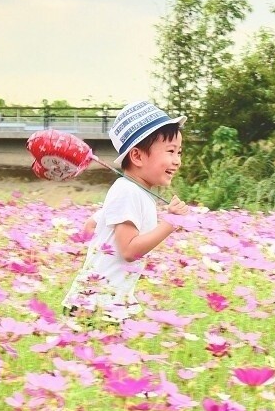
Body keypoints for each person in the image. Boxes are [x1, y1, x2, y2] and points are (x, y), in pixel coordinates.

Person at [62, 100, 188, 321]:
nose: (177, 161)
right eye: (170, 151)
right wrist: (169, 223)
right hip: (96, 307)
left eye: (179, 152)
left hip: (107, 300)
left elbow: (90, 225)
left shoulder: (134, 192)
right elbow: (129, 251)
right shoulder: (128, 191)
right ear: (137, 156)